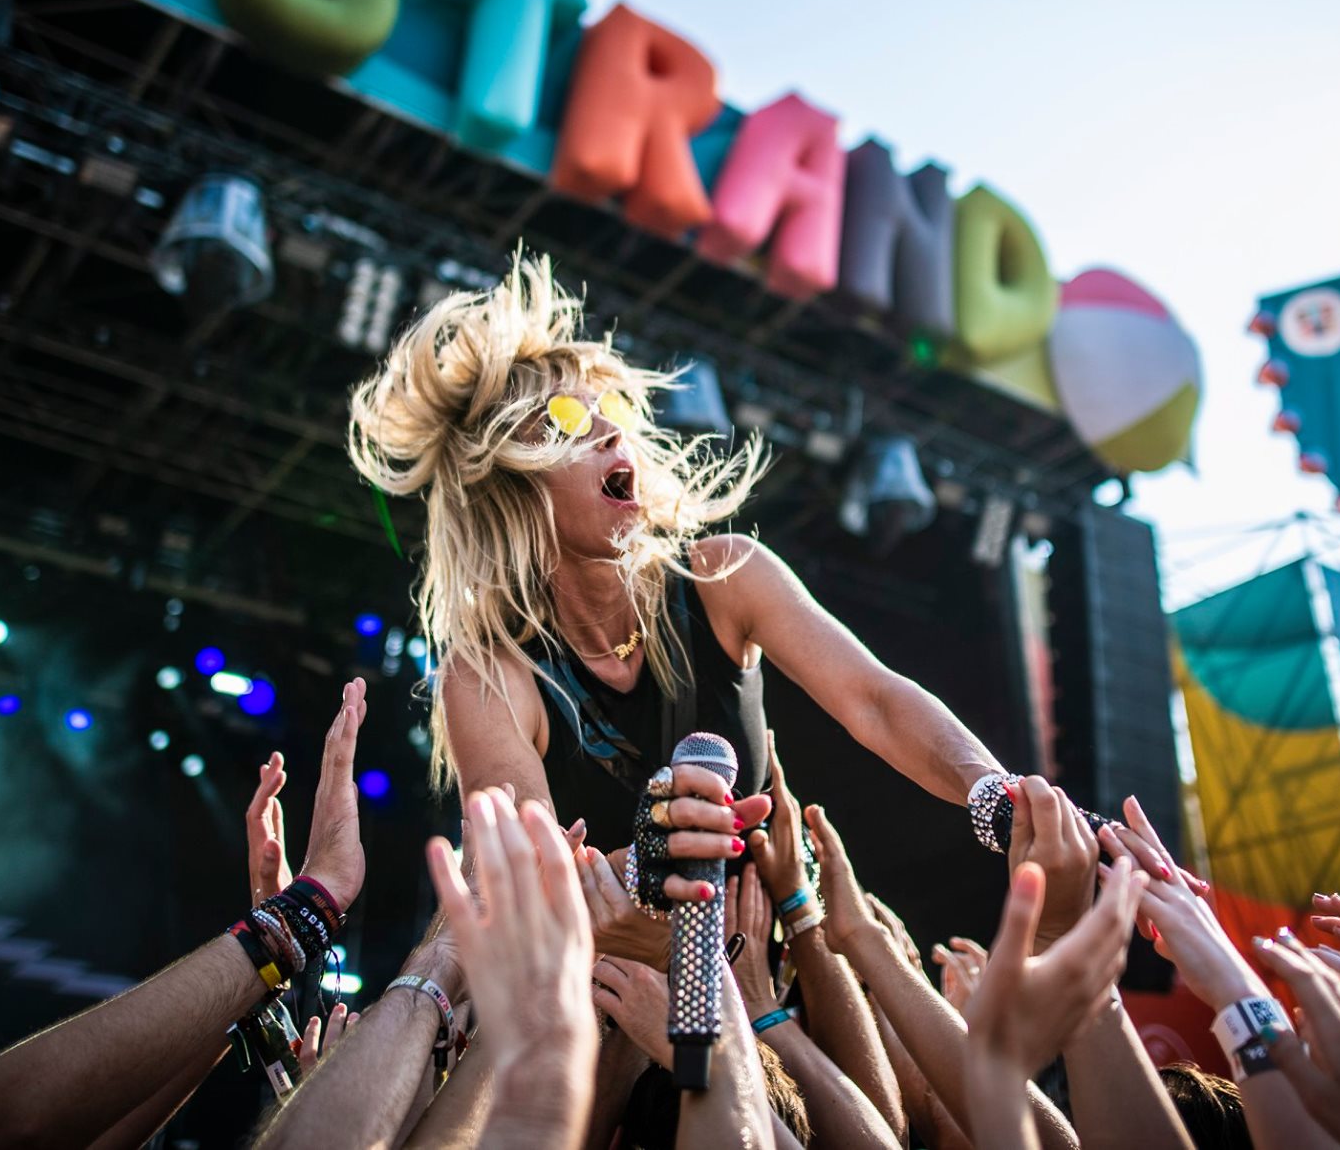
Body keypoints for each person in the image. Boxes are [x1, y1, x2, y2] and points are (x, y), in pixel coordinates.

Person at [347, 254, 1018, 917]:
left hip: (767, 970)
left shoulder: (724, 575)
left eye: (609, 407)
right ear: (512, 490)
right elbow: (518, 872)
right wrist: (645, 862)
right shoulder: (490, 675)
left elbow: (875, 699)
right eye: (566, 423)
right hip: (613, 1001)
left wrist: (998, 796)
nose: (611, 428)